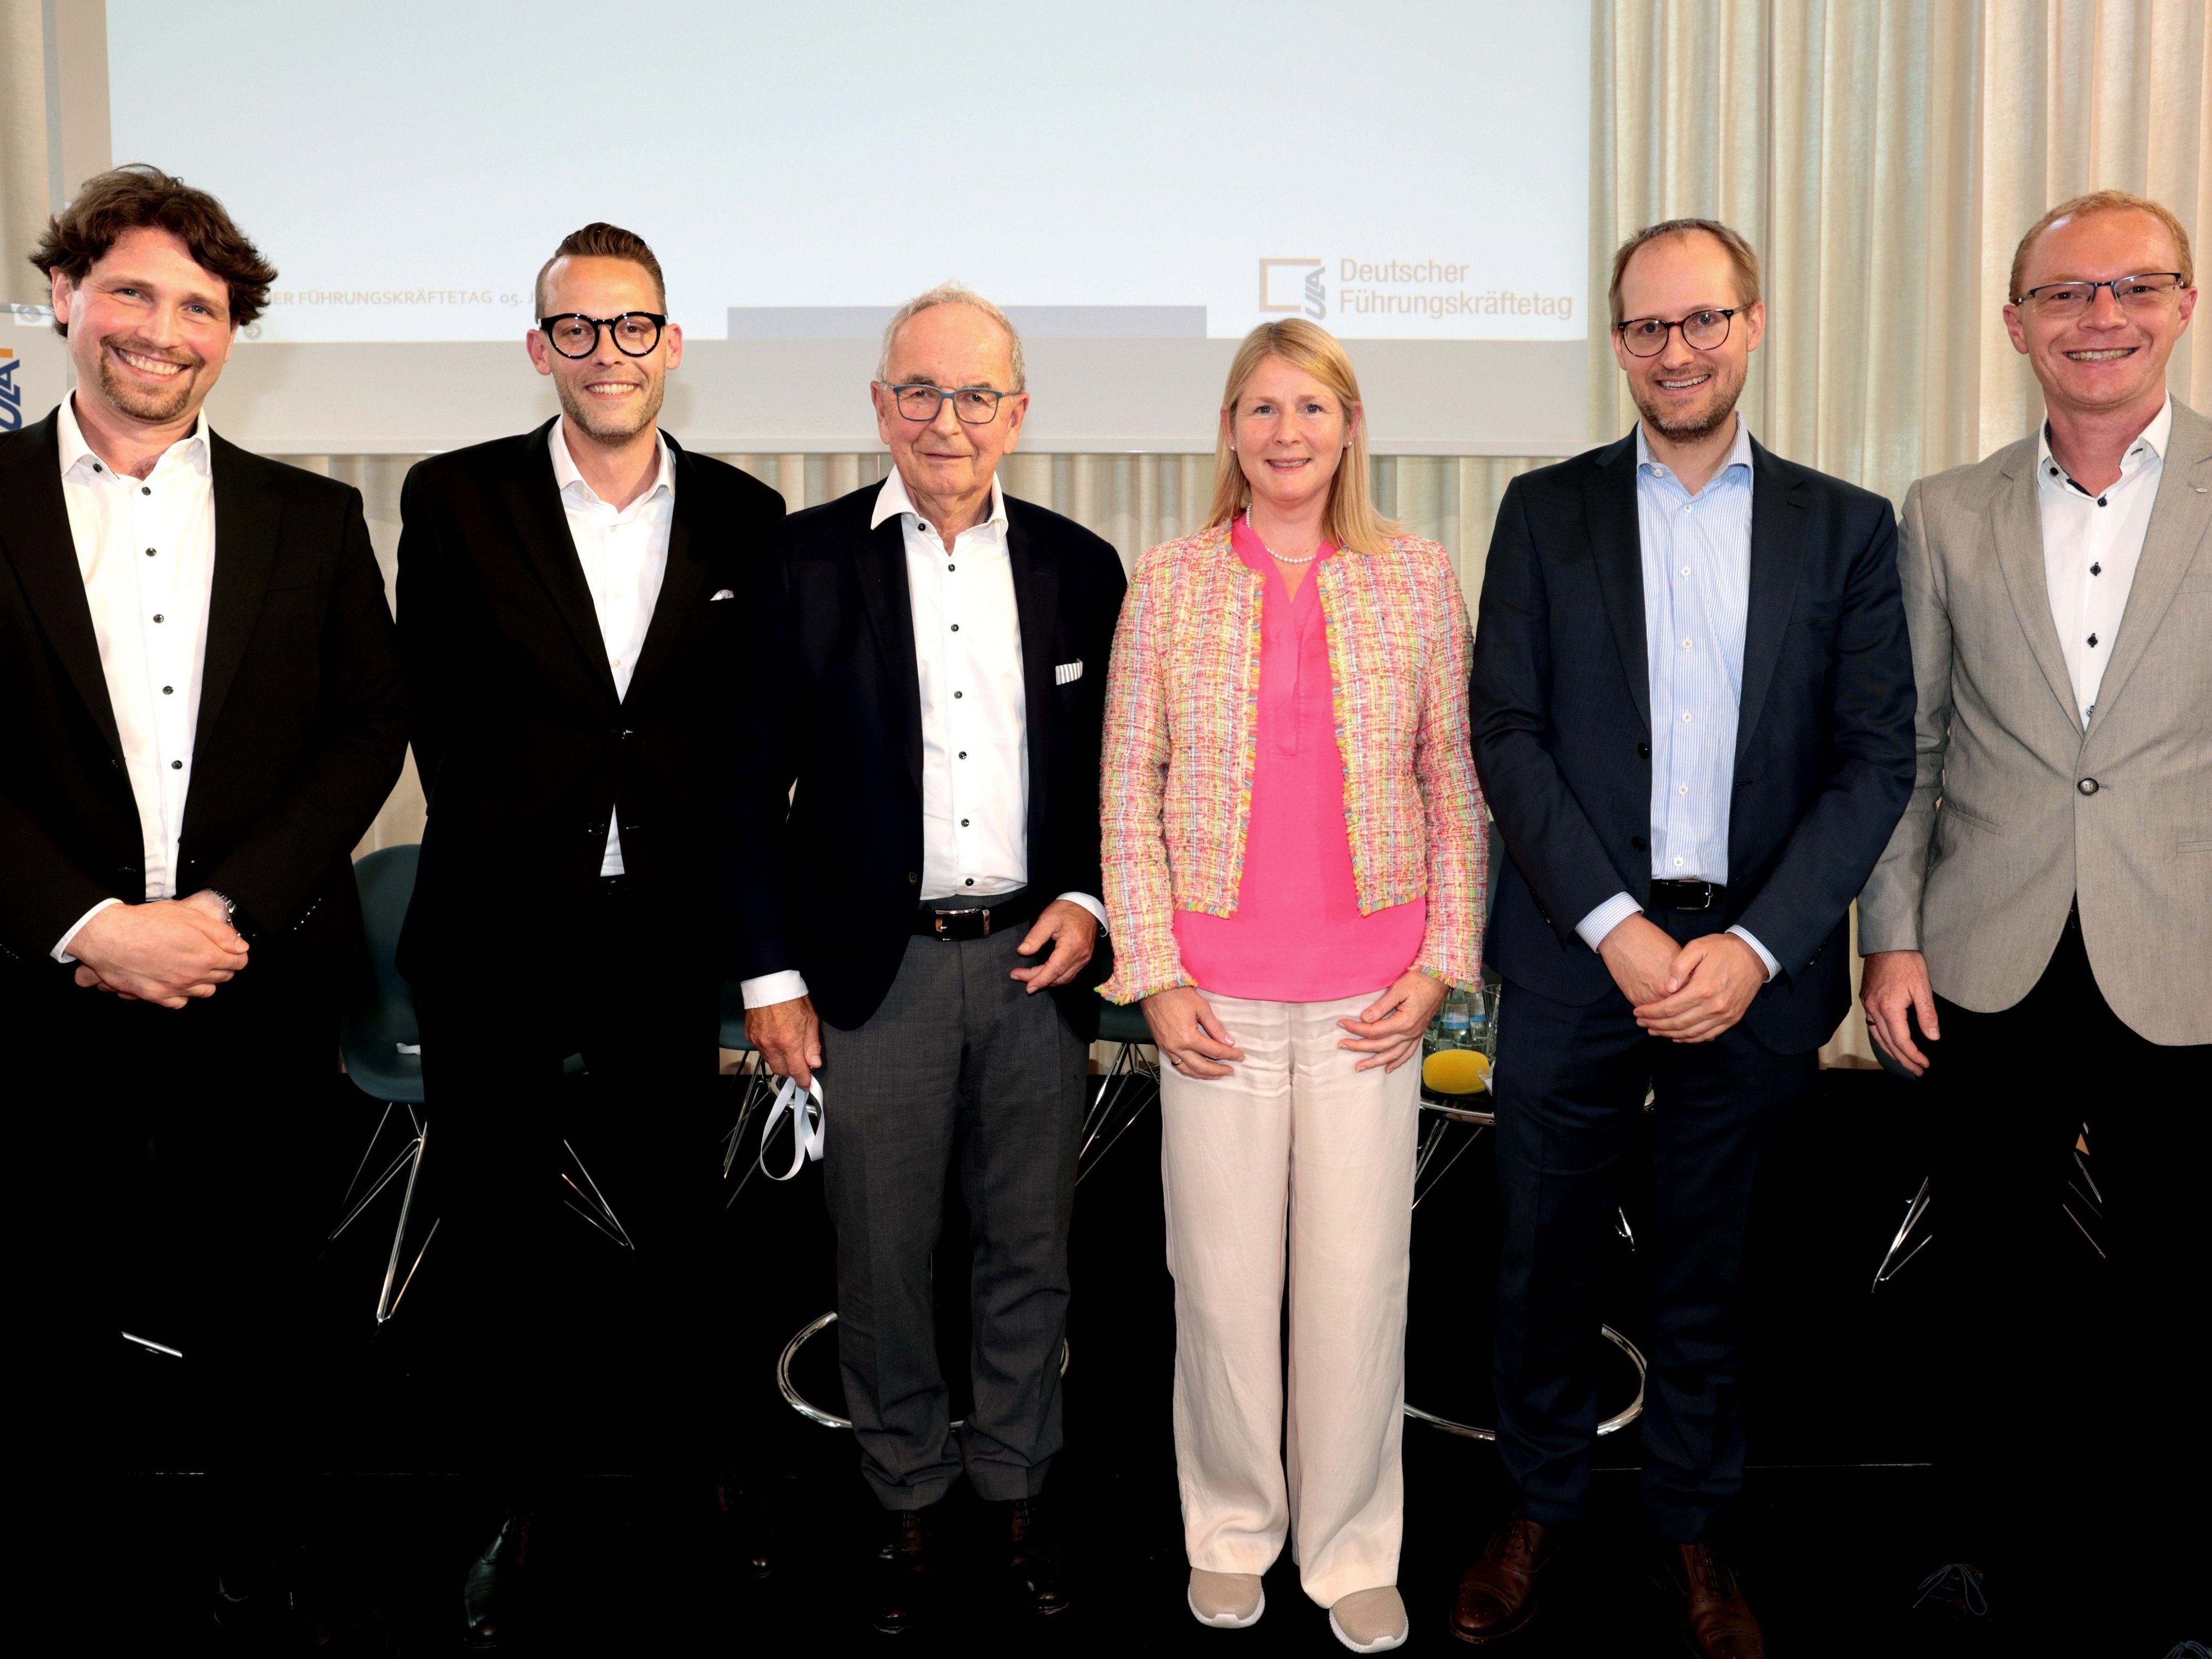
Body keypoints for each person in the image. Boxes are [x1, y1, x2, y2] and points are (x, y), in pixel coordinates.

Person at [1461, 219, 1915, 1656]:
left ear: (1751, 325)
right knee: (1541, 1259)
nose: (1677, 350)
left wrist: (1757, 946)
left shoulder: (1847, 528)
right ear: (1617, 345)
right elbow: (1505, 732)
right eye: (1649, 327)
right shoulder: (1543, 511)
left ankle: (1692, 1522)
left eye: (1703, 320)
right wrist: (1613, 926)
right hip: (1573, 952)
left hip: (1753, 969)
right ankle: (1536, 1503)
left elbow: (1874, 760)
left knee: (1711, 1269)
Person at [0, 165, 408, 1634]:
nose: (161, 330)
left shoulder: (314, 516)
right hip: (40, 978)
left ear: (231, 333)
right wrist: (92, 926)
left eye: (200, 306)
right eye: (132, 290)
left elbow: (367, 728)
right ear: (66, 295)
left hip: (256, 978)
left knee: (264, 1292)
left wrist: (223, 914)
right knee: (45, 1286)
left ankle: (263, 1550)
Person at [393, 222, 785, 1645]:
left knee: (678, 1231)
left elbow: (754, 736)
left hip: (663, 932)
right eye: (576, 328)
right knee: (499, 1240)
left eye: (631, 327)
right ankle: (518, 1505)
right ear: (539, 345)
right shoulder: (455, 496)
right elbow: (433, 708)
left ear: (670, 342)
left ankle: (694, 1489)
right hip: (497, 925)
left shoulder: (746, 512)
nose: (605, 353)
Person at [734, 284, 1125, 1635]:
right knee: (881, 1253)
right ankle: (902, 1491)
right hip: (871, 970)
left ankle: (1014, 1485)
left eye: (973, 395)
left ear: (1016, 413)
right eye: (918, 391)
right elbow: (748, 789)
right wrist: (771, 979)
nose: (944, 420)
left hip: (1032, 961)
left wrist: (1087, 897)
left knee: (1030, 1247)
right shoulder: (803, 561)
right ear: (879, 405)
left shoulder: (1080, 566)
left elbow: (1109, 774)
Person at [1098, 318, 1485, 1654]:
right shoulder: (1168, 580)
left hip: (1372, 1000)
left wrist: (1439, 961)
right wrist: (1151, 976)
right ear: (1227, 428)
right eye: (1260, 407)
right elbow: (1126, 790)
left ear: (1348, 427)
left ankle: (1350, 1544)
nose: (1285, 432)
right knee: (1216, 1285)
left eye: (1310, 407)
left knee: (1356, 1284)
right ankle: (1228, 1530)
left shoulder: (1416, 575)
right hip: (1211, 999)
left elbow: (1454, 784)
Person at [1856, 190, 2209, 1647]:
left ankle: (2182, 1576)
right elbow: (1908, 747)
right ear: (2014, 326)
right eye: (2063, 294)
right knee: (1985, 1281)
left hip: (2186, 956)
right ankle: (1967, 1551)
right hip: (1984, 955)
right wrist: (1888, 934)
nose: (2098, 316)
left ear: (2181, 305)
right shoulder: (1943, 511)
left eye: (2131, 287)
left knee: (2183, 1285)